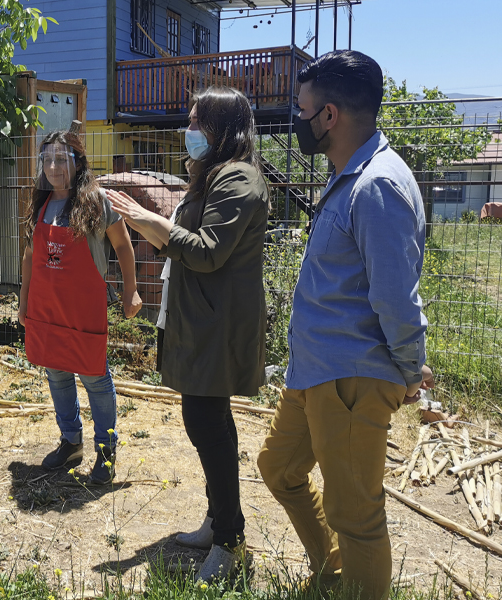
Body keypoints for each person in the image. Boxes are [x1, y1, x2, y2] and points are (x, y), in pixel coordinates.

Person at [256, 50, 434, 600]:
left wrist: (408, 370)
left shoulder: (376, 185)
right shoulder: (349, 177)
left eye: (302, 108)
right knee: (279, 467)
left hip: (352, 378)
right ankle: (333, 572)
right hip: (315, 372)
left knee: (355, 513)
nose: (297, 117)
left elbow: (394, 299)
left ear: (329, 115)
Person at [107, 87, 269, 583]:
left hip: (218, 326)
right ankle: (219, 521)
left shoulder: (238, 179)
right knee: (212, 424)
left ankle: (230, 542)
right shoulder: (214, 175)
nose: (190, 128)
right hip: (204, 320)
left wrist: (146, 219)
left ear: (222, 128)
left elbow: (206, 252)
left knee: (207, 425)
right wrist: (148, 222)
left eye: (198, 120)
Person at [19, 125, 142, 485]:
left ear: (78, 162)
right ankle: (70, 442)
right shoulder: (40, 202)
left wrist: (131, 290)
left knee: (95, 378)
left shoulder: (95, 201)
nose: (54, 167)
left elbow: (122, 246)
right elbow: (29, 256)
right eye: (48, 159)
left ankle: (105, 452)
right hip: (47, 309)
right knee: (56, 372)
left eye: (62, 159)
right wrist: (24, 301)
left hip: (83, 309)